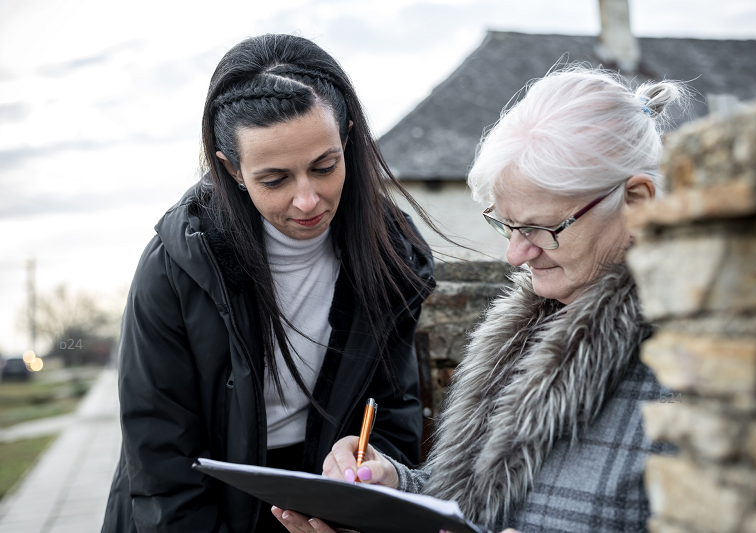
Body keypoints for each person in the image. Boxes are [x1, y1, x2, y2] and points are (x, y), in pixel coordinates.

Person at [273, 66, 686, 533]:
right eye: (507, 226)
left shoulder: (717, 366)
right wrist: (395, 489)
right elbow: (476, 505)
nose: (516, 255)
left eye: (540, 229)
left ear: (637, 202)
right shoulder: (533, 331)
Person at [101, 34, 439, 533]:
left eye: (325, 167)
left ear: (347, 139)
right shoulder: (176, 265)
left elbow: (393, 412)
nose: (308, 200)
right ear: (232, 169)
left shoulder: (392, 254)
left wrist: (367, 484)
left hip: (324, 506)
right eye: (275, 180)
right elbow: (160, 456)